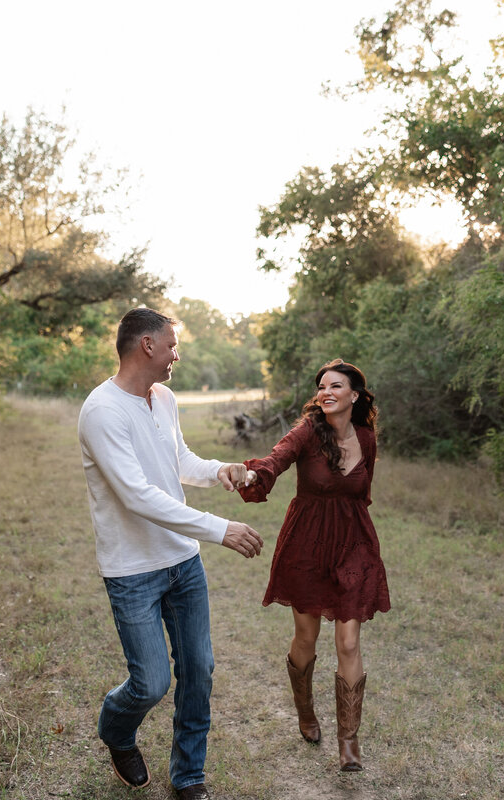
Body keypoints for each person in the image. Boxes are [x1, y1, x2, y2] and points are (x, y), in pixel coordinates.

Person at [78, 307, 264, 800]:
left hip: (182, 564)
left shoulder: (163, 398)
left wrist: (219, 469)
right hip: (132, 569)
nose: (176, 355)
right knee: (151, 683)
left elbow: (178, 460)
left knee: (198, 671)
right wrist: (220, 529)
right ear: (147, 345)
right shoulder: (102, 411)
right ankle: (117, 729)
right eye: (172, 345)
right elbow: (137, 495)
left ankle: (188, 777)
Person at [237, 359, 390, 772]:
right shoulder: (307, 430)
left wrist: (357, 540)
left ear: (354, 395)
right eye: (322, 386)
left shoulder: (366, 437)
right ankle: (305, 712)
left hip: (354, 545)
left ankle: (349, 742)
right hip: (307, 544)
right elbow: (277, 458)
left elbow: (363, 493)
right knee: (306, 638)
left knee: (349, 643)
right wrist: (253, 476)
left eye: (335, 386)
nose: (326, 392)